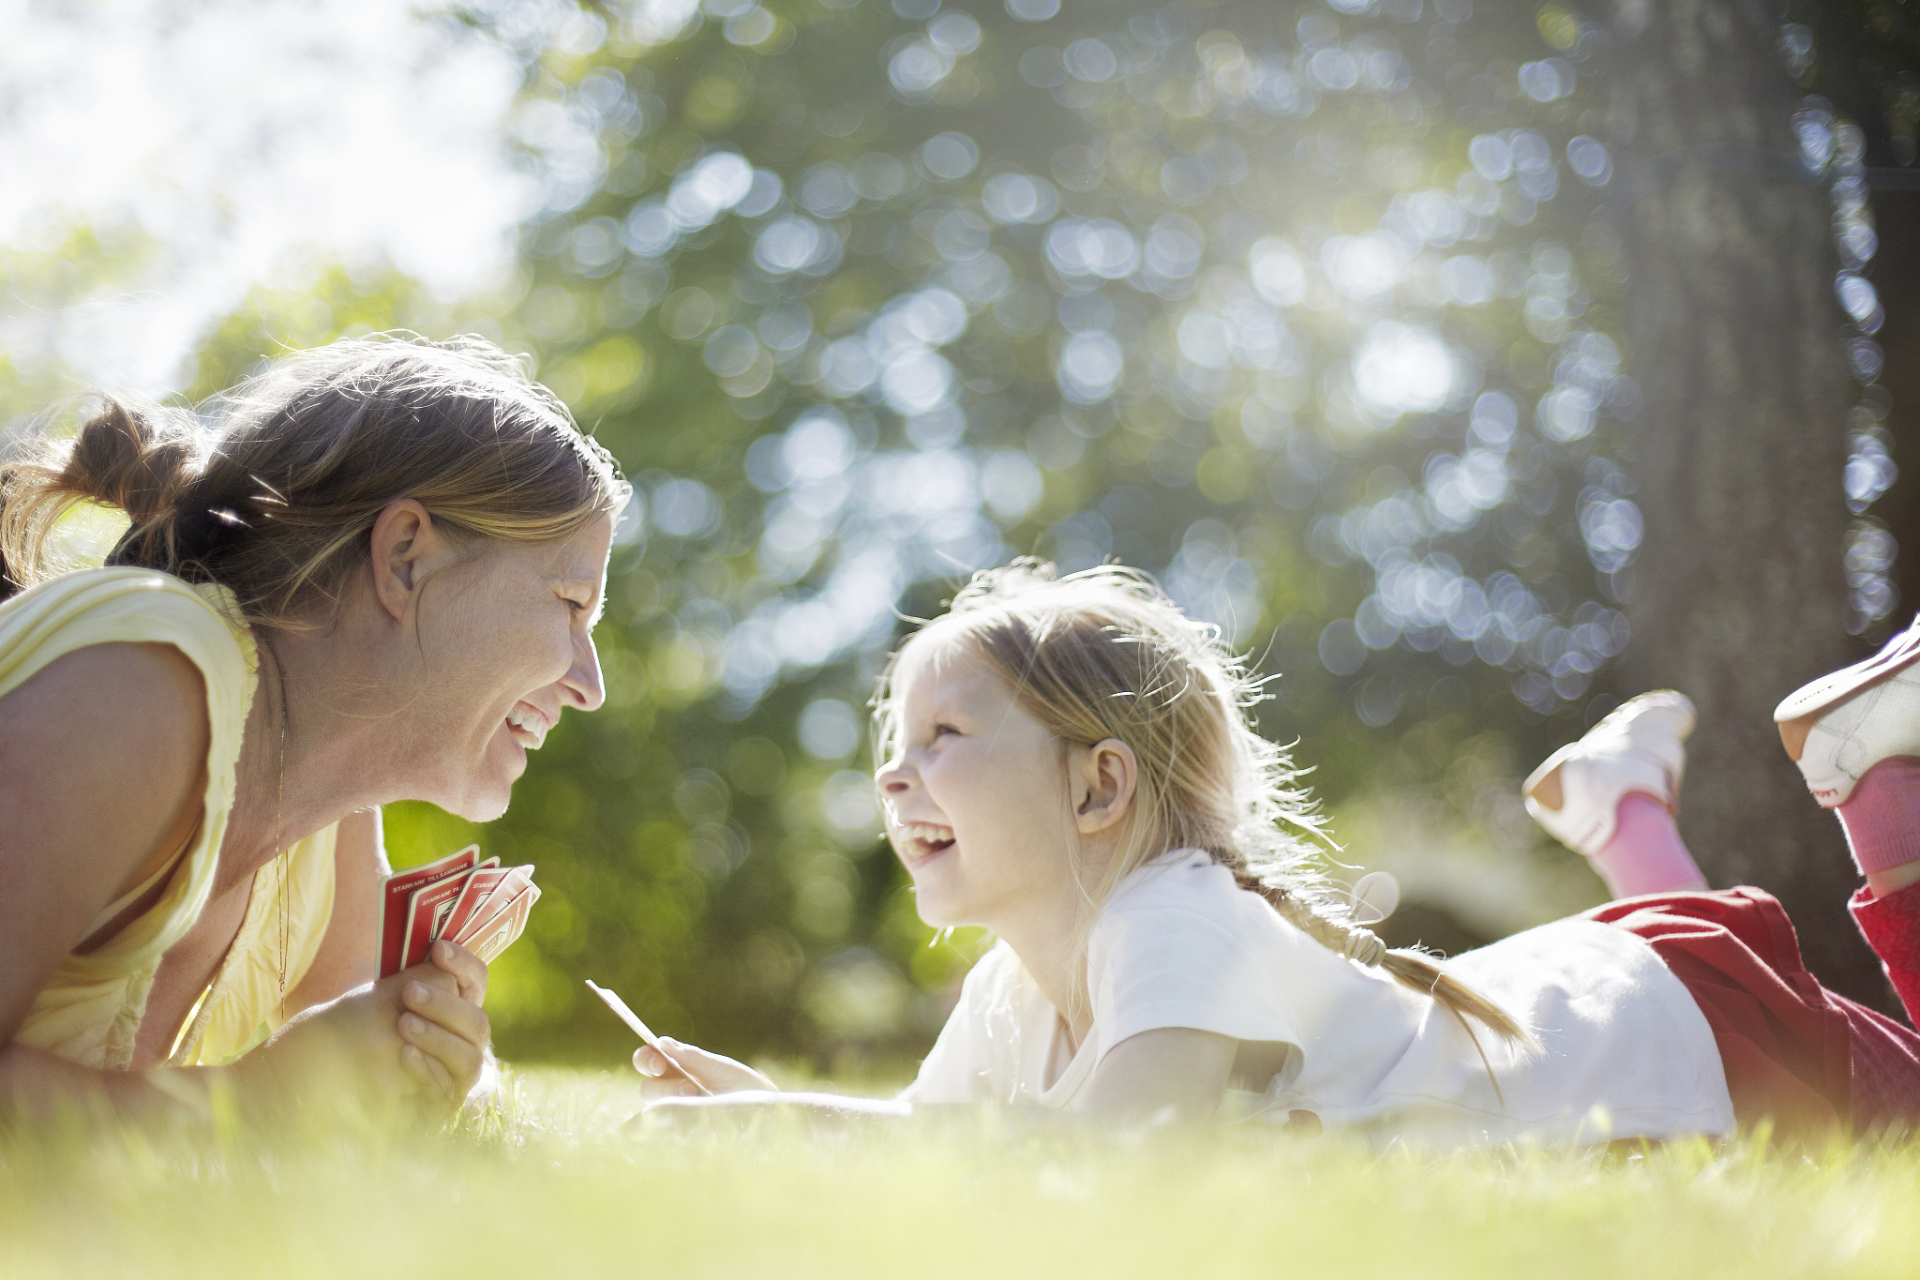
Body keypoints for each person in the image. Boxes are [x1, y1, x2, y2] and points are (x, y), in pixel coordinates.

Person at [632, 559, 1920, 1146]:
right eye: (893, 740)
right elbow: (935, 1135)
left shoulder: (1170, 917)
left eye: (946, 733)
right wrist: (768, 1111)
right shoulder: (1017, 986)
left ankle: (1878, 794)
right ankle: (1621, 809)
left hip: (1686, 1030)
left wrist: (795, 1120)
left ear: (1100, 787)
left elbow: (1113, 1162)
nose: (892, 770)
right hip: (1629, 991)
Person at [0, 334, 626, 1121]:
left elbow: (371, 1090)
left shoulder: (320, 807)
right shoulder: (144, 685)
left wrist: (436, 1059)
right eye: (571, 604)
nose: (590, 685)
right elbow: (288, 1104)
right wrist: (255, 1101)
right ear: (405, 557)